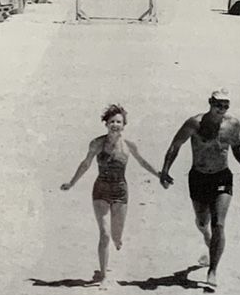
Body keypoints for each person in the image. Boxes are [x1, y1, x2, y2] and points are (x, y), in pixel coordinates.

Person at [158, 89, 240, 291]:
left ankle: (213, 270)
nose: (222, 108)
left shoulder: (233, 124)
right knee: (203, 222)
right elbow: (176, 145)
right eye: (218, 104)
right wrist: (165, 169)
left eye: (226, 105)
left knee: (219, 223)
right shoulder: (195, 123)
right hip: (199, 177)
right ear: (210, 102)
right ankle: (206, 237)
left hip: (222, 176)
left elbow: (237, 147)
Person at [60, 103, 164, 284]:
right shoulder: (97, 143)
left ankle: (118, 241)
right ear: (106, 124)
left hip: (121, 192)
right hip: (101, 190)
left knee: (116, 236)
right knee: (105, 234)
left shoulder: (129, 146)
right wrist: (71, 183)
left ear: (124, 125)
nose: (115, 124)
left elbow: (143, 162)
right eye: (112, 121)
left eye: (119, 122)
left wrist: (160, 175)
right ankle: (103, 275)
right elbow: (86, 164)